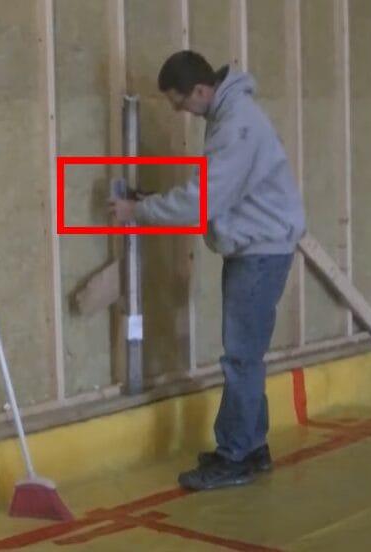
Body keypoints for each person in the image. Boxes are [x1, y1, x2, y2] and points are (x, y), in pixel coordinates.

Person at [108, 50, 306, 491]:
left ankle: (234, 455)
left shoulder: (236, 126)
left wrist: (136, 212)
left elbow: (203, 201)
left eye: (181, 102)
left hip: (259, 253)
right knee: (246, 356)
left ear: (201, 89)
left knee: (239, 356)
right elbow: (215, 191)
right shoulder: (230, 117)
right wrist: (148, 205)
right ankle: (251, 447)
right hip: (256, 249)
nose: (181, 112)